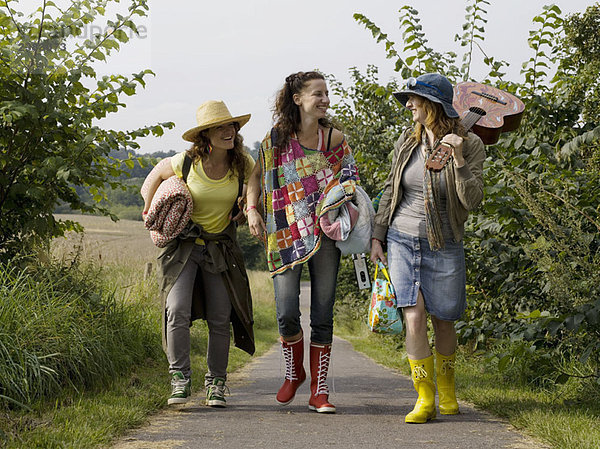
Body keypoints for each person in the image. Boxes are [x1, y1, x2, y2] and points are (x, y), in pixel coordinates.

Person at [370, 73, 485, 423]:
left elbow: (474, 199)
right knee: (415, 318)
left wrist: (460, 158)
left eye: (414, 100)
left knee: (444, 320)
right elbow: (392, 188)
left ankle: (448, 390)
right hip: (402, 238)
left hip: (445, 241)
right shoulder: (408, 140)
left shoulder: (472, 143)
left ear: (433, 105)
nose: (408, 106)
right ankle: (424, 397)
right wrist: (378, 235)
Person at [246, 71, 359, 413]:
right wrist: (252, 209)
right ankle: (294, 373)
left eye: (327, 93)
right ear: (297, 99)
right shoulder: (277, 138)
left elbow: (350, 180)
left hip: (324, 234)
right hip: (284, 232)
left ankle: (319, 390)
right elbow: (255, 177)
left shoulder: (335, 139)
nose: (325, 99)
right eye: (318, 93)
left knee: (323, 313)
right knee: (287, 312)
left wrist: (337, 197)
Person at [142, 100, 256, 407]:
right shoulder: (185, 161)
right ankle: (179, 379)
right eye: (220, 127)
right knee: (176, 309)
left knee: (220, 316)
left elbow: (254, 186)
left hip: (220, 247)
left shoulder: (242, 163)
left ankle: (216, 384)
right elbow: (152, 179)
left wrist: (249, 206)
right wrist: (149, 209)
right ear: (205, 135)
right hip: (183, 246)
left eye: (231, 125)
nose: (228, 131)